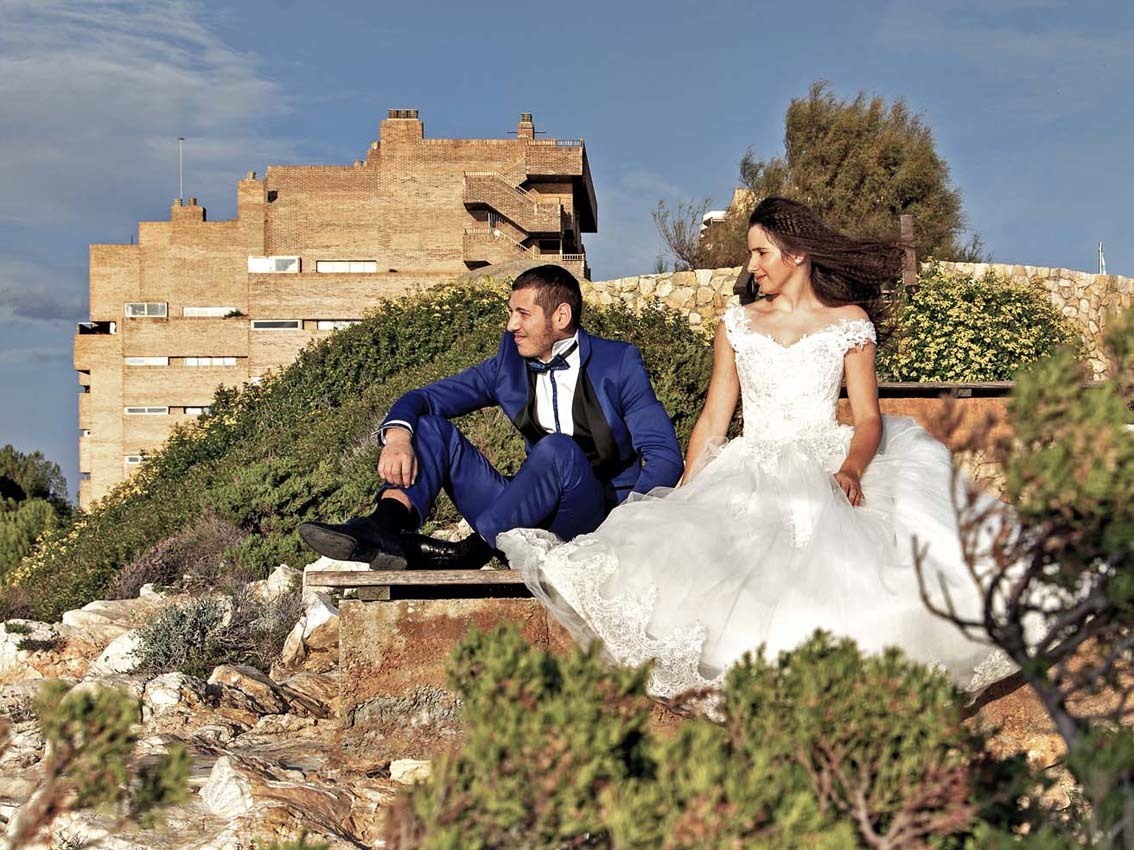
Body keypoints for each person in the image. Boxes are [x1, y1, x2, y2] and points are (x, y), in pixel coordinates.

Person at [498, 198, 1011, 697]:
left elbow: (869, 417)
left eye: (761, 252)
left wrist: (853, 469)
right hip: (750, 463)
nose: (752, 266)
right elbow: (715, 418)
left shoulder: (849, 322)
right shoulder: (736, 324)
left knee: (874, 573)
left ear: (797, 253)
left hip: (828, 461)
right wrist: (686, 490)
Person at [299, 264, 684, 570]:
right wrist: (398, 437)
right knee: (431, 427)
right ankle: (384, 527)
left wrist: (624, 527)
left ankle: (469, 552)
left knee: (558, 450)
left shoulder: (617, 363)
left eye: (522, 314)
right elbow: (425, 398)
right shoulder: (508, 365)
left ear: (561, 315)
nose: (511, 325)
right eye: (510, 313)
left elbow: (664, 455)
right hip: (521, 518)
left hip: (590, 520)